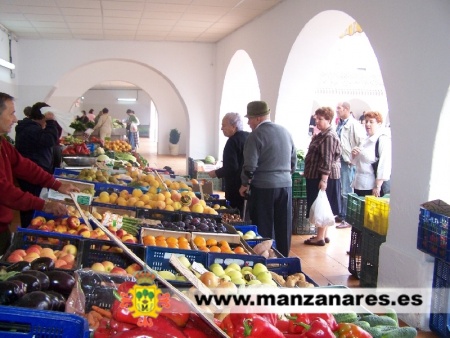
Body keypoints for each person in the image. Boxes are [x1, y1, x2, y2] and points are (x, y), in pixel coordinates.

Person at [0, 92, 80, 254]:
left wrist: (57, 185)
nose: (15, 119)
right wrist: (44, 205)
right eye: (11, 113)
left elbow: (24, 166)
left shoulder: (3, 144)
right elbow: (4, 191)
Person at [239, 101, 297, 257]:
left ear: (258, 118)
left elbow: (250, 165)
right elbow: (294, 161)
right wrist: (284, 176)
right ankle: (283, 258)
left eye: (250, 118)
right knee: (283, 225)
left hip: (263, 187)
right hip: (285, 186)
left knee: (264, 226)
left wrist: (245, 184)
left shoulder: (256, 135)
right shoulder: (285, 132)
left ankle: (265, 259)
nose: (248, 122)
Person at [15, 102, 64, 227]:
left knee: (32, 201)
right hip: (29, 176)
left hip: (36, 173)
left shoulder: (34, 128)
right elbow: (49, 140)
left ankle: (28, 225)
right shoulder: (30, 129)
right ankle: (26, 228)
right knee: (29, 205)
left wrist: (54, 123)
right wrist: (51, 122)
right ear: (43, 116)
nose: (14, 119)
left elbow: (54, 138)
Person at [303, 107, 342, 246]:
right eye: (316, 119)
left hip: (322, 176)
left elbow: (327, 159)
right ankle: (323, 235)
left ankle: (319, 237)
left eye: (320, 119)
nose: (317, 122)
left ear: (328, 120)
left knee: (321, 205)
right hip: (318, 175)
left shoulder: (329, 136)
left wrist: (324, 180)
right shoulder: (323, 134)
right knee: (322, 205)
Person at [208, 113, 249, 216]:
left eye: (224, 125)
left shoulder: (232, 142)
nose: (222, 128)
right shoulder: (249, 137)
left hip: (235, 188)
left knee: (235, 214)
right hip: (247, 184)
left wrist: (216, 173)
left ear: (233, 126)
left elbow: (231, 167)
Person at [335, 101, 364, 228]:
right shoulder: (340, 123)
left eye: (339, 108)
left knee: (346, 190)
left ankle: (347, 218)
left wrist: (353, 156)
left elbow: (361, 142)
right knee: (341, 188)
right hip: (340, 160)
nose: (337, 110)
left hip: (347, 161)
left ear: (346, 109)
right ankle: (342, 213)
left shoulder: (353, 124)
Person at [351, 111, 391, 197]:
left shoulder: (382, 140)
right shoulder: (365, 140)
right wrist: (354, 155)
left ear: (379, 124)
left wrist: (377, 186)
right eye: (366, 121)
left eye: (371, 122)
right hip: (359, 184)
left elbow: (384, 164)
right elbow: (355, 162)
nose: (367, 124)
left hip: (371, 186)